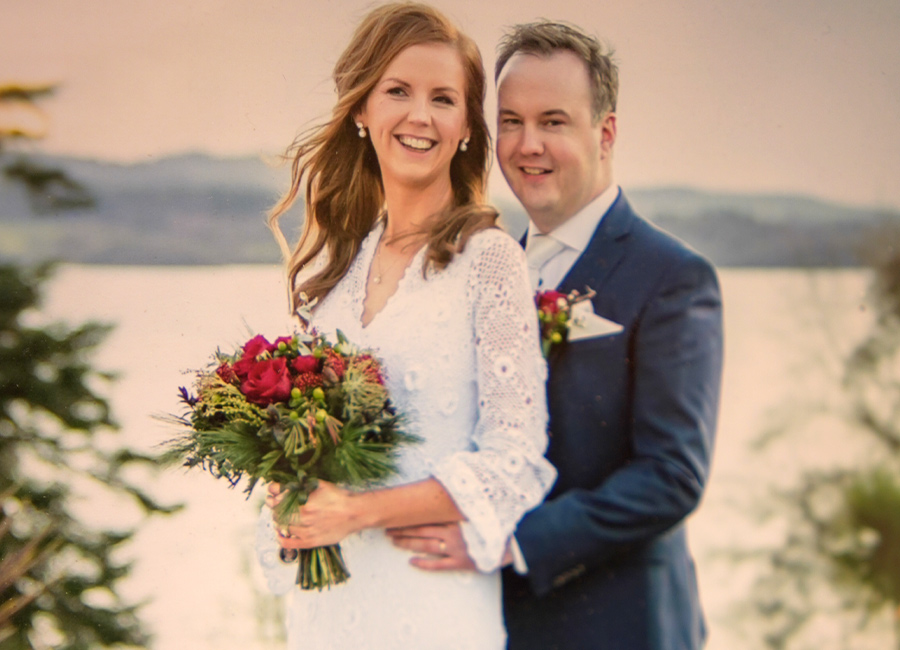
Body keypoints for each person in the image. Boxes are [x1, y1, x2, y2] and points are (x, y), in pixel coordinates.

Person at [389, 20, 724, 650]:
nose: (526, 144)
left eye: (553, 121)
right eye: (510, 121)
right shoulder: (481, 272)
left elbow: (671, 474)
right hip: (488, 622)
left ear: (606, 132)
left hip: (619, 625)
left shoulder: (673, 277)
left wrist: (511, 541)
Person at [254, 4, 556, 649]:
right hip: (327, 613)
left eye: (443, 98)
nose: (420, 115)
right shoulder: (339, 274)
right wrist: (291, 494)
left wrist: (358, 512)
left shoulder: (491, 260)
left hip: (431, 607)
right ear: (362, 110)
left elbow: (513, 459)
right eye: (398, 91)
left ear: (467, 129)